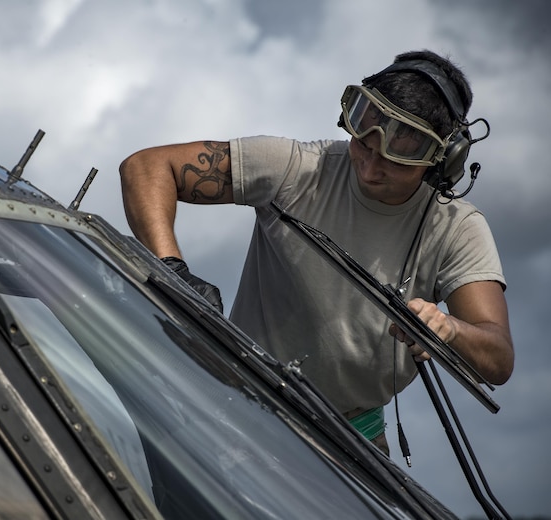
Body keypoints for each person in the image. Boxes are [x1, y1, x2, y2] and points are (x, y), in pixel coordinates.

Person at [118, 49, 515, 455]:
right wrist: (171, 271)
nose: (369, 168)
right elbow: (146, 168)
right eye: (363, 144)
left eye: (395, 161)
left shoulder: (456, 229)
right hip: (235, 408)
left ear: (442, 161)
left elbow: (498, 360)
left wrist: (450, 330)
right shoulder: (297, 167)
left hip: (351, 445)